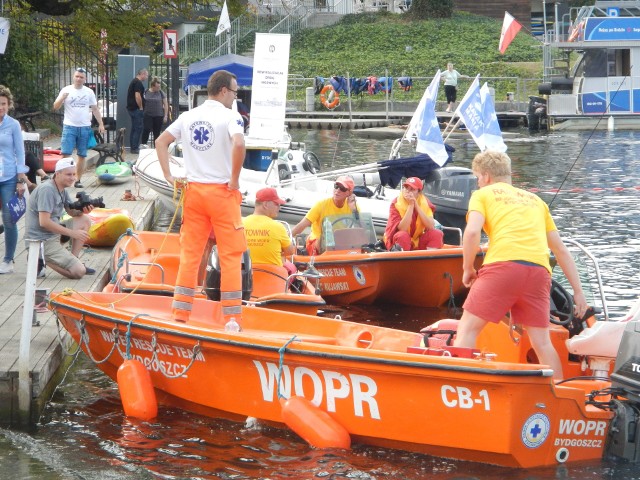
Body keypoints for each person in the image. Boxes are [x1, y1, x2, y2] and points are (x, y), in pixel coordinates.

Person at [452, 151, 588, 380]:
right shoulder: (537, 201)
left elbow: (472, 231)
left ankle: (463, 385)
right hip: (538, 272)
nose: (477, 181)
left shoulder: (482, 194)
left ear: (485, 176)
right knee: (542, 343)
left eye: (477, 177)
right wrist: (578, 292)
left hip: (503, 266)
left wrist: (467, 268)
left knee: (467, 329)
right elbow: (560, 250)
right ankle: (560, 392)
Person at [156, 69, 247, 325]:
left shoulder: (188, 116)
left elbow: (161, 142)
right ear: (223, 91)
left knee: (191, 254)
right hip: (222, 193)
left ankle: (180, 314)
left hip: (193, 193)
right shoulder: (232, 117)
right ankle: (232, 319)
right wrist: (235, 178)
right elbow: (239, 144)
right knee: (230, 255)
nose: (235, 97)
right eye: (235, 92)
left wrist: (168, 175)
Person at [24, 157, 95, 279]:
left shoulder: (61, 188)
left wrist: (84, 209)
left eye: (74, 174)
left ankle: (73, 259)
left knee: (85, 220)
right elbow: (44, 222)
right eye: (68, 174)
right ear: (57, 174)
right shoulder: (47, 190)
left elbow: (71, 212)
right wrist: (72, 233)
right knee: (79, 272)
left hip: (54, 234)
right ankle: (39, 257)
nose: (72, 178)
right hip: (40, 240)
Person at [53, 67, 106, 188]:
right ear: (73, 77)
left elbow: (95, 109)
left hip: (84, 127)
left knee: (82, 155)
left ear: (85, 79)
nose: (78, 79)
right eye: (77, 76)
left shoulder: (88, 92)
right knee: (65, 154)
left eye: (81, 77)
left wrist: (101, 123)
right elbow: (55, 106)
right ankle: (61, 179)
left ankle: (77, 180)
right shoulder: (66, 90)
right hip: (69, 126)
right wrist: (62, 98)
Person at [0, 85, 29, 274]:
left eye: (3, 104)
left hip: (9, 176)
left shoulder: (13, 125)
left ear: (8, 105)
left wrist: (21, 179)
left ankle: (8, 259)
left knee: (9, 219)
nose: (0, 107)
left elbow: (20, 151)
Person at [291, 175, 358, 255]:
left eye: (342, 188)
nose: (337, 190)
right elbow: (302, 225)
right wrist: (284, 239)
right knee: (323, 241)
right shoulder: (321, 205)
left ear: (349, 193)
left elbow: (361, 229)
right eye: (336, 186)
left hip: (341, 243)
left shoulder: (352, 206)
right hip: (318, 243)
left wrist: (353, 209)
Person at [383, 177, 444, 251]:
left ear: (419, 192)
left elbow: (431, 226)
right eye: (406, 188)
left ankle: (430, 260)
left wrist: (417, 206)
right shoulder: (396, 203)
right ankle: (403, 261)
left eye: (412, 189)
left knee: (436, 233)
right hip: (396, 242)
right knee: (402, 235)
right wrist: (411, 205)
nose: (408, 191)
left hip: (416, 240)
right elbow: (403, 228)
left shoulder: (425, 203)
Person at [243, 187, 294, 267]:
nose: (279, 207)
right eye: (276, 204)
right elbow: (290, 251)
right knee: (291, 267)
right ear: (265, 204)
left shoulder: (241, 223)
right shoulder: (278, 227)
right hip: (272, 276)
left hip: (246, 276)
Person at [126, 68, 149, 154]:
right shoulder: (138, 83)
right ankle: (134, 148)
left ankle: (133, 147)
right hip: (136, 109)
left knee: (134, 128)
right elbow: (137, 96)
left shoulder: (134, 82)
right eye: (146, 75)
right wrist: (141, 107)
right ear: (142, 74)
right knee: (138, 128)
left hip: (132, 108)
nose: (146, 77)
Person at [141, 77, 169, 147]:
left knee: (156, 133)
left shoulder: (161, 93)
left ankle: (156, 148)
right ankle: (143, 145)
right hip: (148, 115)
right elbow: (141, 101)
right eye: (157, 87)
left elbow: (166, 104)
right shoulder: (146, 92)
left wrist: (165, 116)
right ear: (152, 86)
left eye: (159, 86)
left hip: (158, 115)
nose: (158, 88)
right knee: (146, 130)